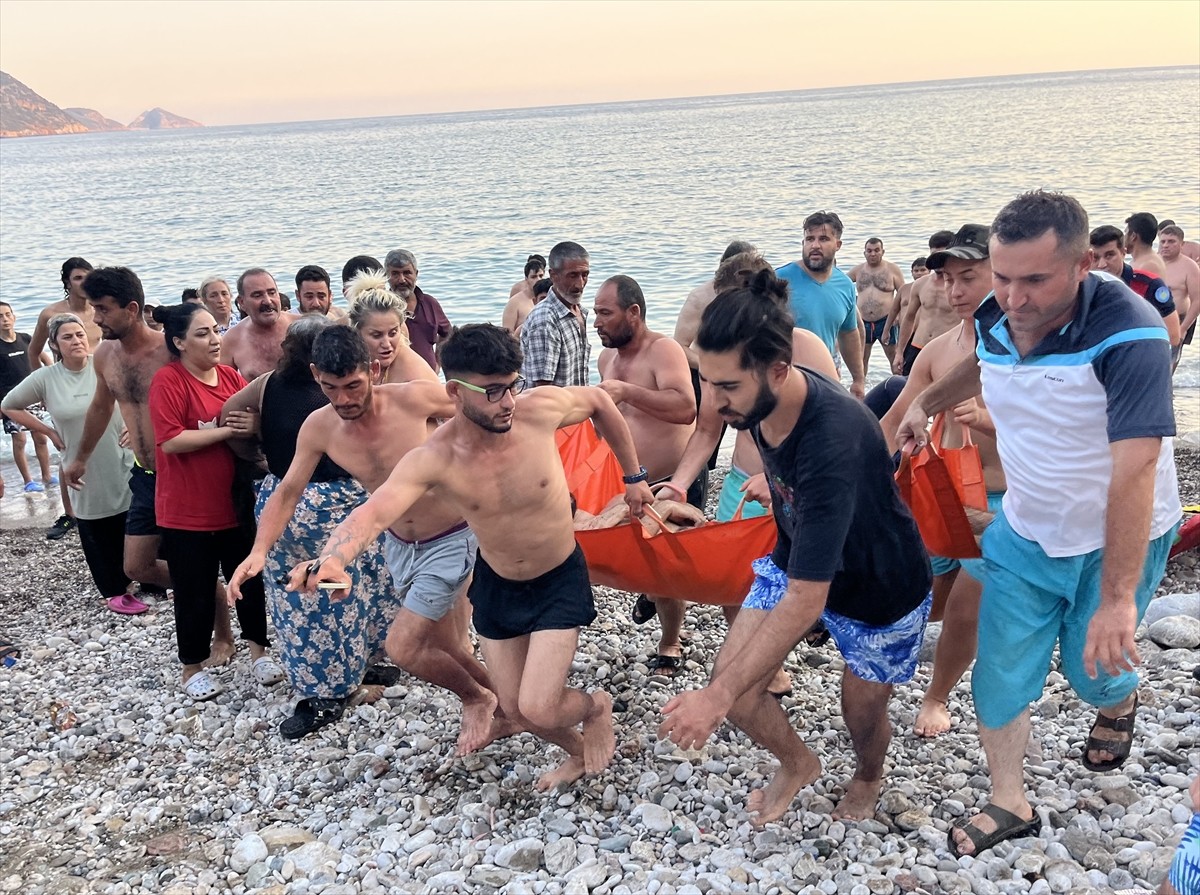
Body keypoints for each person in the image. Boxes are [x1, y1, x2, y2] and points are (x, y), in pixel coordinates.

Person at [895, 190, 1181, 858]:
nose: (1013, 298)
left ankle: (1117, 701)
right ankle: (1009, 800)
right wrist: (926, 401)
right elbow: (983, 358)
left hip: (1116, 532)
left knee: (1093, 671)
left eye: (1033, 280)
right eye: (1002, 277)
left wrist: (1117, 598)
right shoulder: (1002, 310)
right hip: (1024, 526)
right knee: (999, 668)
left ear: (1083, 266)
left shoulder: (1129, 334)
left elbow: (1135, 470)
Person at [294, 324, 654, 789]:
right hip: (498, 582)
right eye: (491, 391)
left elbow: (602, 402)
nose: (506, 401)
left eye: (511, 385)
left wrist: (634, 476)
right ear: (454, 392)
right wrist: (333, 560)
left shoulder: (537, 411)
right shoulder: (434, 459)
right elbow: (372, 512)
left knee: (539, 705)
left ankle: (596, 705)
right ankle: (579, 751)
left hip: (558, 575)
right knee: (515, 708)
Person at [658, 268, 932, 826]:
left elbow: (807, 600)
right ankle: (798, 762)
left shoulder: (833, 441)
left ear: (779, 370)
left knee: (859, 709)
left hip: (880, 584)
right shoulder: (754, 397)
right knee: (735, 688)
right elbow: (719, 424)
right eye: (706, 382)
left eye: (727, 387)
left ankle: (869, 776)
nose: (713, 400)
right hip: (798, 553)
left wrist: (711, 701)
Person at [231, 325, 497, 750]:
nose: (344, 400)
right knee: (443, 642)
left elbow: (487, 406)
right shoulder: (319, 427)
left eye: (353, 385)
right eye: (330, 387)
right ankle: (502, 702)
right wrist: (259, 550)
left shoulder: (413, 399)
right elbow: (288, 491)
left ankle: (477, 698)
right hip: (397, 542)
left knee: (406, 646)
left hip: (451, 534)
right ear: (316, 374)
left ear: (373, 369)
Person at [664, 252, 840, 699]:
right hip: (743, 480)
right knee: (731, 578)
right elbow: (707, 429)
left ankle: (786, 645)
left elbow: (838, 429)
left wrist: (785, 476)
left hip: (801, 487)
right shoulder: (722, 358)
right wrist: (679, 482)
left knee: (800, 583)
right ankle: (766, 671)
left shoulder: (806, 349)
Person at [220, 316, 395, 737]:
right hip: (329, 506)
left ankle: (344, 679)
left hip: (292, 497)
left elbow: (226, 414)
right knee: (336, 596)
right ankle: (331, 689)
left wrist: (255, 452)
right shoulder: (338, 396)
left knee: (318, 599)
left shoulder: (267, 384)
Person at [66, 268, 236, 658]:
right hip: (144, 474)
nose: (95, 318)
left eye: (103, 309)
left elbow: (214, 392)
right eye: (93, 308)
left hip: (185, 474)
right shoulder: (105, 354)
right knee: (137, 567)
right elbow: (99, 406)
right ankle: (210, 587)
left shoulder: (171, 350)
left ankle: (223, 635)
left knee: (191, 560)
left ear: (131, 308)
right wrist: (80, 457)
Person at [879, 224, 1006, 737]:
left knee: (964, 605)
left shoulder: (1025, 351)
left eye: (968, 278)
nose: (955, 292)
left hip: (1000, 496)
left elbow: (1061, 433)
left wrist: (989, 419)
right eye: (948, 280)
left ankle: (936, 697)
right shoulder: (935, 351)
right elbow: (893, 421)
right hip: (941, 492)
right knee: (922, 597)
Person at [148, 302, 283, 700]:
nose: (214, 339)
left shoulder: (228, 377)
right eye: (202, 333)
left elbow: (252, 421)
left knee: (250, 580)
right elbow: (172, 440)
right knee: (194, 588)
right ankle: (191, 666)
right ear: (179, 342)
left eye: (216, 330)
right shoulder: (168, 381)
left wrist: (253, 425)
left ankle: (259, 650)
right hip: (185, 510)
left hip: (235, 504)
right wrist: (225, 433)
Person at [594, 274, 698, 675]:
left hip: (671, 478)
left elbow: (685, 408)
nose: (597, 322)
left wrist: (627, 392)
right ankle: (651, 593)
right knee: (630, 560)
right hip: (627, 480)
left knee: (665, 569)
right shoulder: (607, 359)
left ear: (633, 313)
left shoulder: (664, 350)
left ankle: (670, 643)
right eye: (595, 313)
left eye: (605, 313)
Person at [3, 314, 140, 614]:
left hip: (122, 455)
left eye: (80, 334)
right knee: (95, 524)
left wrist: (135, 423)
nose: (76, 341)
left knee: (135, 517)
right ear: (54, 344)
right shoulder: (46, 378)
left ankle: (147, 578)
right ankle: (113, 589)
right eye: (68, 337)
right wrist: (48, 430)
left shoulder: (105, 364)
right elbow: (8, 405)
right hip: (81, 462)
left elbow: (140, 393)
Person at [672, 240, 758, 478]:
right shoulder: (701, 297)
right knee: (706, 432)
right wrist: (712, 367)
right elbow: (678, 345)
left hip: (746, 374)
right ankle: (700, 477)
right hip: (704, 374)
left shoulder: (758, 297)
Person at [775, 211, 866, 398]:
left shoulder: (845, 285)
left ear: (838, 245)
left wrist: (858, 379)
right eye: (810, 239)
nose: (815, 245)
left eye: (823, 239)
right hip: (785, 373)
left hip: (828, 372)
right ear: (803, 243)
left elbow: (848, 333)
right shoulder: (779, 280)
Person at [1089, 225, 1180, 347]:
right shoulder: (1081, 287)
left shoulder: (1150, 285)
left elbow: (1173, 336)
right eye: (1095, 258)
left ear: (1123, 253)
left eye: (1109, 255)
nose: (1102, 264)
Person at [1, 301, 55, 494]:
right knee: (20, 441)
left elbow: (45, 358)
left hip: (32, 395)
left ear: (14, 317)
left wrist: (49, 380)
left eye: (8, 314)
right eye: (0, 316)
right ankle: (28, 481)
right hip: (10, 401)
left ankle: (47, 475)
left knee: (40, 437)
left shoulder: (25, 338)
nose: (5, 319)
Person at [346, 272, 438, 385]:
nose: (386, 344)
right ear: (356, 333)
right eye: (376, 335)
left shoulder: (414, 377)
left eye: (393, 333)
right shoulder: (354, 359)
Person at [521, 241, 592, 387]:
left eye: (584, 275)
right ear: (553, 276)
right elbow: (543, 391)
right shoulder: (545, 320)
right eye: (572, 276)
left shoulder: (578, 312)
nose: (580, 284)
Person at [895, 231, 957, 376]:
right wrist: (899, 352)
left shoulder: (959, 287)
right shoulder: (921, 284)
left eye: (941, 255)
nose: (937, 260)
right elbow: (909, 318)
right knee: (907, 391)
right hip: (917, 347)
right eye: (934, 255)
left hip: (946, 349)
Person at [219, 268, 297, 381]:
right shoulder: (231, 340)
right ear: (242, 303)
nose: (268, 301)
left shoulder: (302, 327)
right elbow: (223, 389)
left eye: (272, 293)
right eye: (257, 295)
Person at [384, 250, 451, 373]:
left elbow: (447, 333)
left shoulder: (430, 303)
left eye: (407, 273)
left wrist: (438, 362)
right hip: (395, 382)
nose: (402, 280)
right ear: (386, 276)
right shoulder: (382, 308)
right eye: (395, 274)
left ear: (416, 274)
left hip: (429, 379)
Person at [27, 257, 101, 369]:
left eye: (88, 278)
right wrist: (42, 382)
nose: (84, 283)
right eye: (78, 278)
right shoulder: (51, 314)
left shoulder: (101, 310)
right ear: (68, 283)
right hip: (66, 378)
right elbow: (33, 352)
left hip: (97, 376)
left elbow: (113, 348)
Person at [848, 238, 905, 371]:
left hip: (886, 321)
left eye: (876, 250)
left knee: (894, 357)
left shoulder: (892, 269)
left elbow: (903, 295)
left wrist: (899, 315)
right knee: (861, 359)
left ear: (882, 251)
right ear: (864, 253)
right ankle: (861, 388)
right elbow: (840, 286)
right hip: (863, 322)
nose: (873, 254)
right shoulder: (857, 270)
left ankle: (899, 387)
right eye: (869, 251)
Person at [1158, 223, 1200, 365]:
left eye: (1171, 242)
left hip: (1179, 319)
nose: (1165, 245)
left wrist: (1183, 329)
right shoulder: (1152, 263)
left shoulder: (1189, 266)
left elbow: (1197, 300)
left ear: (1182, 244)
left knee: (1169, 364)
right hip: (1154, 319)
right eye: (1163, 241)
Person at [502, 257, 548, 337]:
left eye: (541, 276)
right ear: (526, 279)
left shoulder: (547, 298)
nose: (538, 279)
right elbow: (506, 334)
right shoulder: (514, 303)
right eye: (533, 277)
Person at [1125, 211, 1168, 278]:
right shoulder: (1142, 260)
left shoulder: (1148, 265)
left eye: (1126, 232)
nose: (1124, 238)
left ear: (1133, 236)